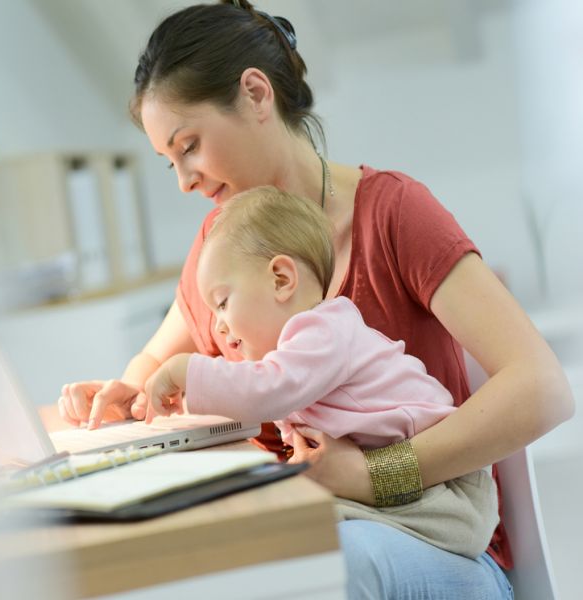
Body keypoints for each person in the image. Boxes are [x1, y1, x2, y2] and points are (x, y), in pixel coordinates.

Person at [58, 1, 574, 597]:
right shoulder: (221, 246)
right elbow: (154, 363)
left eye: (190, 145)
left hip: (437, 542)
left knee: (330, 567)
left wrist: (373, 474)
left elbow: (543, 389)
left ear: (255, 95)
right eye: (170, 161)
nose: (185, 179)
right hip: (316, 535)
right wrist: (126, 393)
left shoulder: (393, 214)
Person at [144, 185, 499, 559]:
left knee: (294, 537)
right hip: (408, 486)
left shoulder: (324, 331)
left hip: (444, 493)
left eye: (223, 303)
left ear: (281, 279)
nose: (217, 327)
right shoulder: (298, 350)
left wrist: (188, 371)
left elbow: (264, 391)